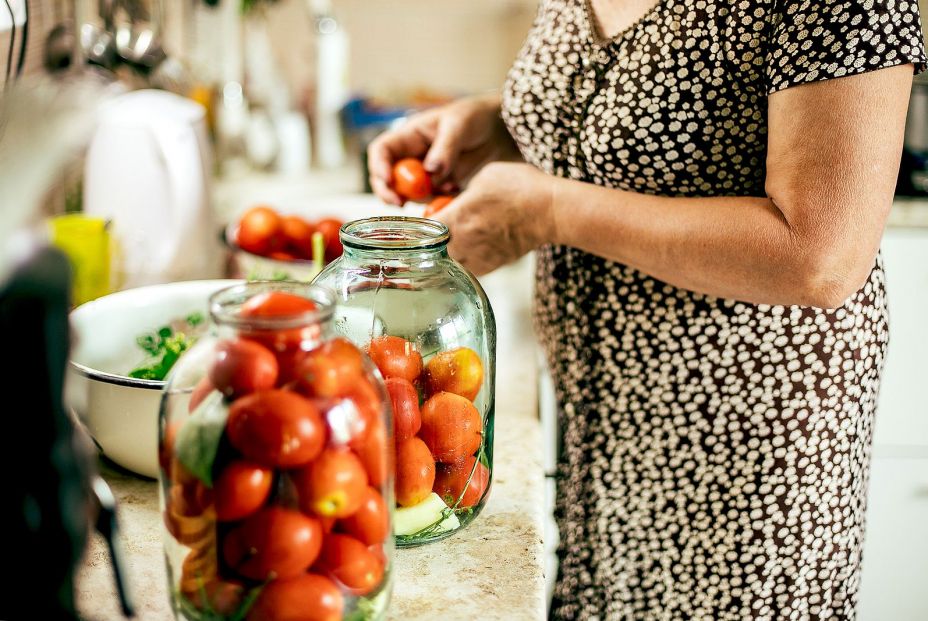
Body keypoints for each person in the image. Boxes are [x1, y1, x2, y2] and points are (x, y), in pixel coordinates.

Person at [368, 1, 927, 618]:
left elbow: (820, 255)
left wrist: (545, 212)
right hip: (601, 424)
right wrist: (508, 124)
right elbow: (654, 109)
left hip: (744, 444)